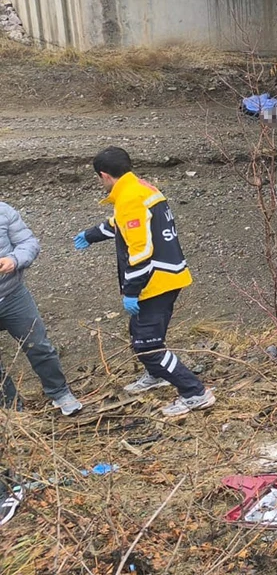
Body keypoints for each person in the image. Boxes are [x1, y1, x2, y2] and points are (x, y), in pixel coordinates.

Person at [74, 147, 215, 417]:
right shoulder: (142, 187)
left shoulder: (128, 198)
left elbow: (140, 252)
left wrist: (131, 290)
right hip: (170, 273)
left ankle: (195, 393)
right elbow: (122, 224)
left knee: (148, 346)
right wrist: (92, 234)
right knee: (138, 331)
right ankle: (156, 375)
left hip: (157, 281)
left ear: (104, 175)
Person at [0, 202, 82, 415]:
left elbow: (28, 242)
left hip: (12, 295)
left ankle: (59, 392)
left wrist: (15, 259)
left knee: (38, 346)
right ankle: (10, 410)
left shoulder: (3, 211)